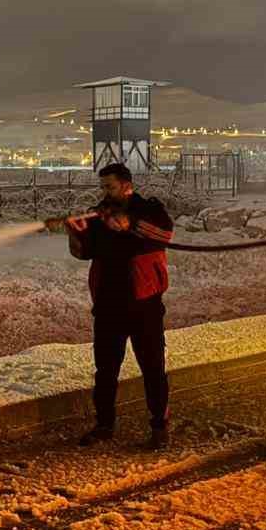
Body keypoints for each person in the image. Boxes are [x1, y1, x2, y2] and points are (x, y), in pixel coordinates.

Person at [65, 162, 174, 449]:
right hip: (108, 306)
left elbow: (165, 235)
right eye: (102, 187)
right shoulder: (98, 216)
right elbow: (84, 253)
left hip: (144, 305)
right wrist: (74, 234)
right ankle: (104, 425)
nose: (105, 192)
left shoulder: (149, 209)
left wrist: (131, 225)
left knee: (152, 368)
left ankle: (159, 427)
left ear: (126, 185)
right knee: (105, 370)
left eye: (109, 186)